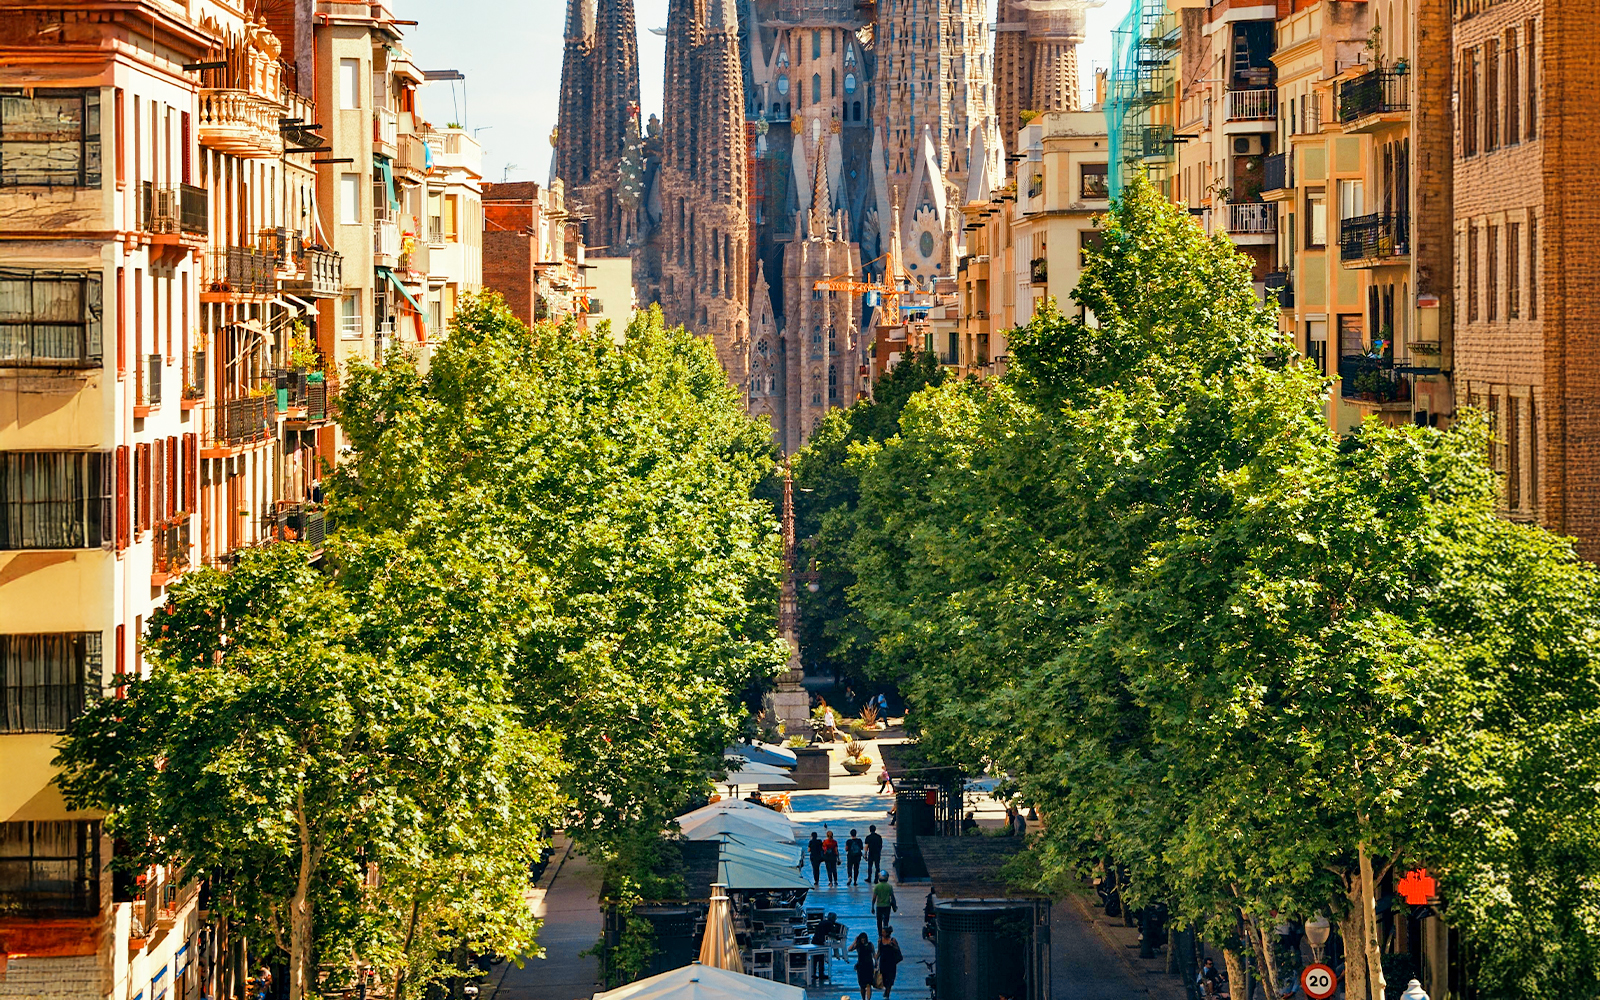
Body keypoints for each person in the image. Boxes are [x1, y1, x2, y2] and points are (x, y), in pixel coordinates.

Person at [877, 928, 903, 999]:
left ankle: (887, 993)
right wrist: (875, 960)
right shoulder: (880, 940)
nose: (882, 934)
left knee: (890, 979)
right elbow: (879, 951)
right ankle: (886, 989)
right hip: (883, 962)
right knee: (884, 978)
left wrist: (892, 946)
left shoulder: (893, 940)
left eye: (883, 932)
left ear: (887, 933)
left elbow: (897, 949)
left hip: (891, 962)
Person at [851, 932, 876, 1000]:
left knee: (868, 984)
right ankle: (863, 998)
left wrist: (876, 962)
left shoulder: (870, 945)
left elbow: (874, 954)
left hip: (869, 966)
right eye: (861, 939)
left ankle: (868, 999)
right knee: (862, 985)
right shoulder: (858, 945)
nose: (863, 940)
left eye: (864, 939)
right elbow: (850, 949)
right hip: (861, 966)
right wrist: (854, 942)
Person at [872, 872, 898, 936]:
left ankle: (880, 934)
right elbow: (892, 897)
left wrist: (872, 906)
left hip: (879, 906)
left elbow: (874, 898)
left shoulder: (877, 886)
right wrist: (894, 906)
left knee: (879, 922)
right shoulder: (889, 886)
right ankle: (886, 934)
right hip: (887, 906)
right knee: (886, 921)